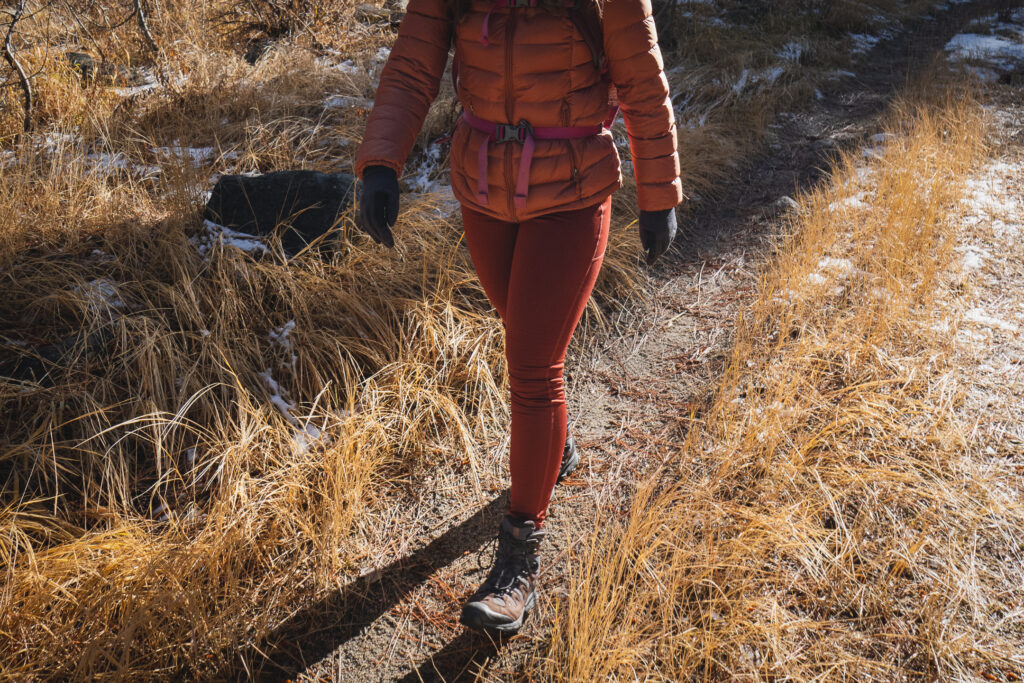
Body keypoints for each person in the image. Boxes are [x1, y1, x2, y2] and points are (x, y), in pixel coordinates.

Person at [354, 0, 681, 634]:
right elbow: (414, 64)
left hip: (574, 185)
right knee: (522, 336)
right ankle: (555, 446)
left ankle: (518, 560)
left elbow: (641, 75)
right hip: (483, 187)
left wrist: (659, 190)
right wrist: (379, 160)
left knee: (532, 367)